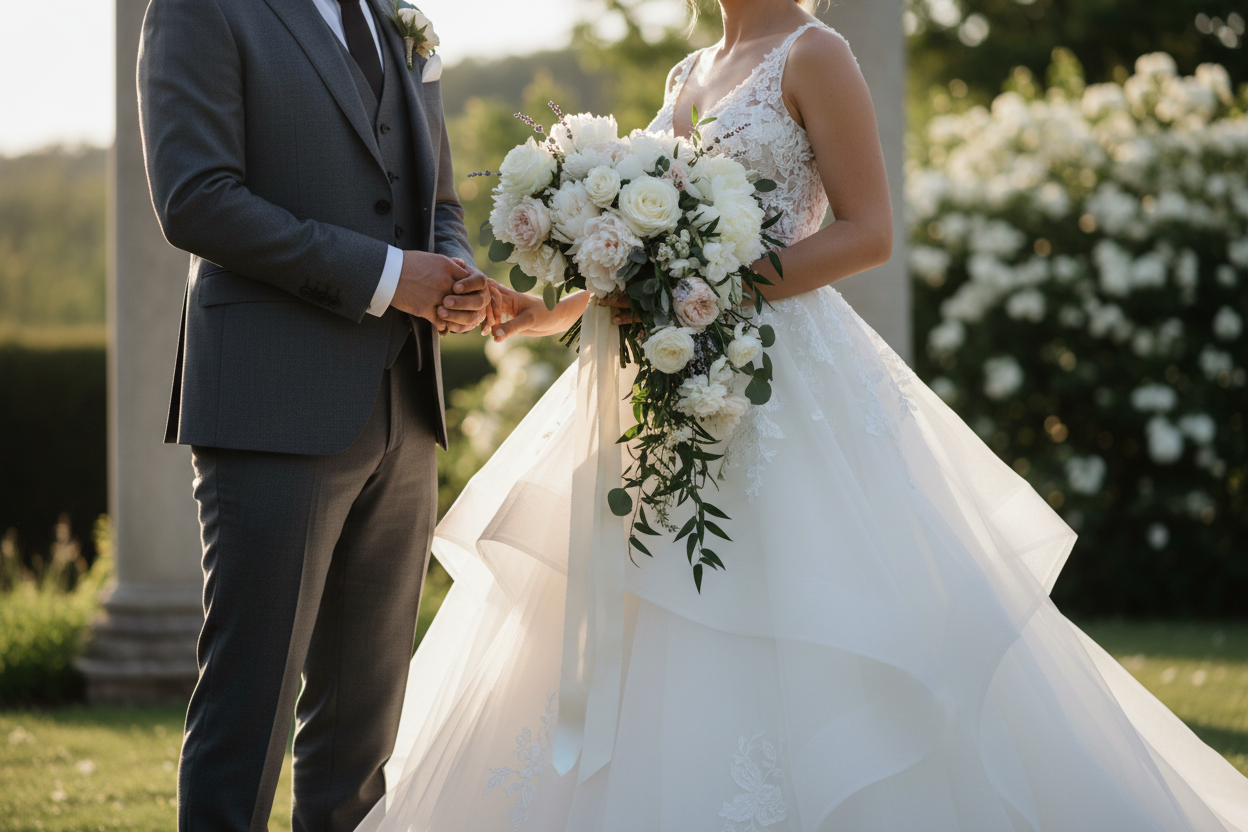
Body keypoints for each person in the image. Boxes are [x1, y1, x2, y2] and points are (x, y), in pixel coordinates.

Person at [371, 0, 1248, 829]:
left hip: (781, 381)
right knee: (645, 611)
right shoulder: (690, 72)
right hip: (676, 379)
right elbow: (646, 254)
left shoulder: (814, 53)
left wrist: (707, 287)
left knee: (803, 610)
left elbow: (868, 230)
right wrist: (551, 310)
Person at [136, 0, 491, 829]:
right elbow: (195, 198)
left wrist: (456, 273)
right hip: (271, 403)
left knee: (361, 738)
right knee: (245, 719)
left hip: (404, 404)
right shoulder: (200, 9)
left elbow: (438, 200)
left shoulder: (396, 14)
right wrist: (386, 275)